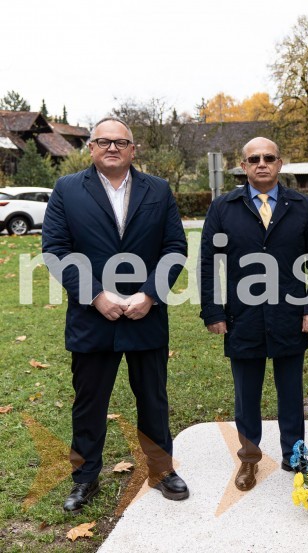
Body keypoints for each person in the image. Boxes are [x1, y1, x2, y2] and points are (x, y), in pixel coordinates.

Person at [42, 117, 189, 513]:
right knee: (89, 402)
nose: (112, 148)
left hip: (147, 317)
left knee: (153, 399)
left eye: (120, 142)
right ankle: (85, 478)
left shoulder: (157, 190)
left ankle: (161, 471)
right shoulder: (68, 189)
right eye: (103, 141)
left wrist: (152, 295)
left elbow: (174, 247)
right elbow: (55, 249)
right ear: (90, 147)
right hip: (93, 319)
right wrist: (93, 295)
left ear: (132, 149)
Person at [199, 137, 308, 492]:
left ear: (279, 163)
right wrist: (213, 310)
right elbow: (208, 263)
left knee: (290, 390)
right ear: (243, 166)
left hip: (289, 311)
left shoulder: (301, 206)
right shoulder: (224, 208)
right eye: (253, 158)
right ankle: (249, 458)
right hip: (243, 315)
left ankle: (294, 453)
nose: (261, 163)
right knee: (247, 392)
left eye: (268, 157)